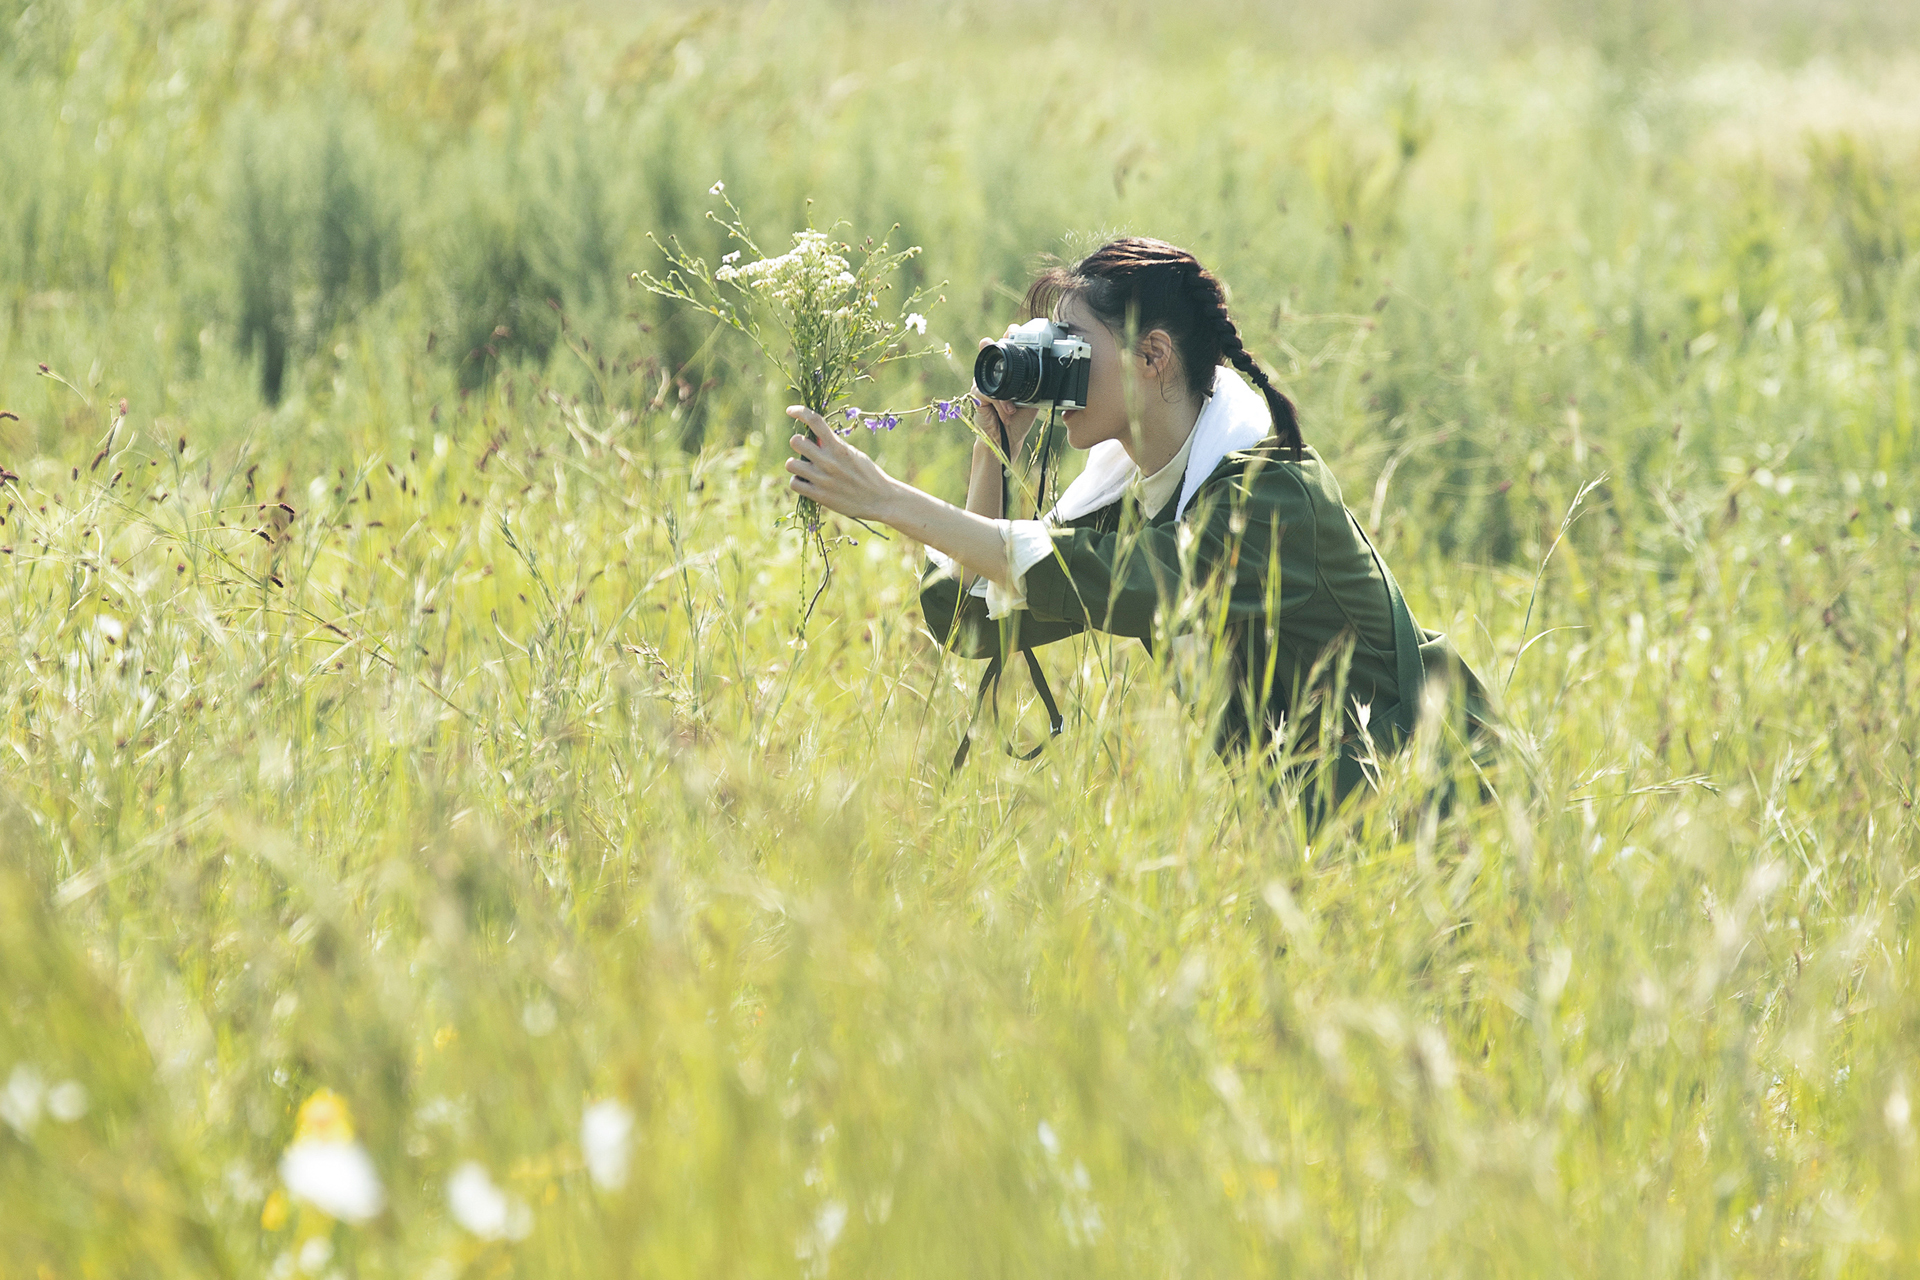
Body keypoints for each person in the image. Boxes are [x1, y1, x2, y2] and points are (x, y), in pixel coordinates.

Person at [783, 237, 1490, 810]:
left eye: (1073, 345)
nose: (1053, 367)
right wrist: (992, 450)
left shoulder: (1267, 492)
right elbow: (971, 620)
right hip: (1330, 816)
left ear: (1152, 357)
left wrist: (886, 499)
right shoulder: (1134, 493)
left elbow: (1140, 583)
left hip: (1446, 794)